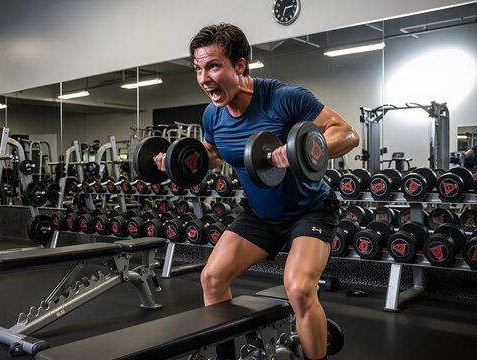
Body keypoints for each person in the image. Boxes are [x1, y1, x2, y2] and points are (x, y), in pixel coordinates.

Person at [154, 23, 359, 360]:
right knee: (212, 278)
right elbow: (212, 154)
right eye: (198, 69)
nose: (204, 78)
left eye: (214, 66)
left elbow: (347, 134)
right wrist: (175, 160)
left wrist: (299, 153)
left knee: (299, 289)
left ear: (240, 65)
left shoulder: (284, 98)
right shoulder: (213, 115)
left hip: (309, 210)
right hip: (262, 215)